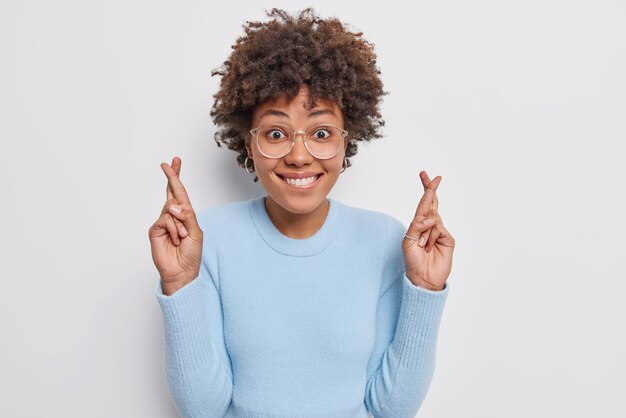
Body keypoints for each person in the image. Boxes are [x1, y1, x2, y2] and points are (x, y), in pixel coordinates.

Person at [148, 7, 455, 418]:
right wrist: (179, 282)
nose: (298, 155)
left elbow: (390, 410)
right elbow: (202, 409)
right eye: (276, 133)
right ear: (248, 141)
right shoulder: (210, 239)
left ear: (347, 140)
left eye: (321, 133)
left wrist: (425, 291)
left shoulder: (385, 241)